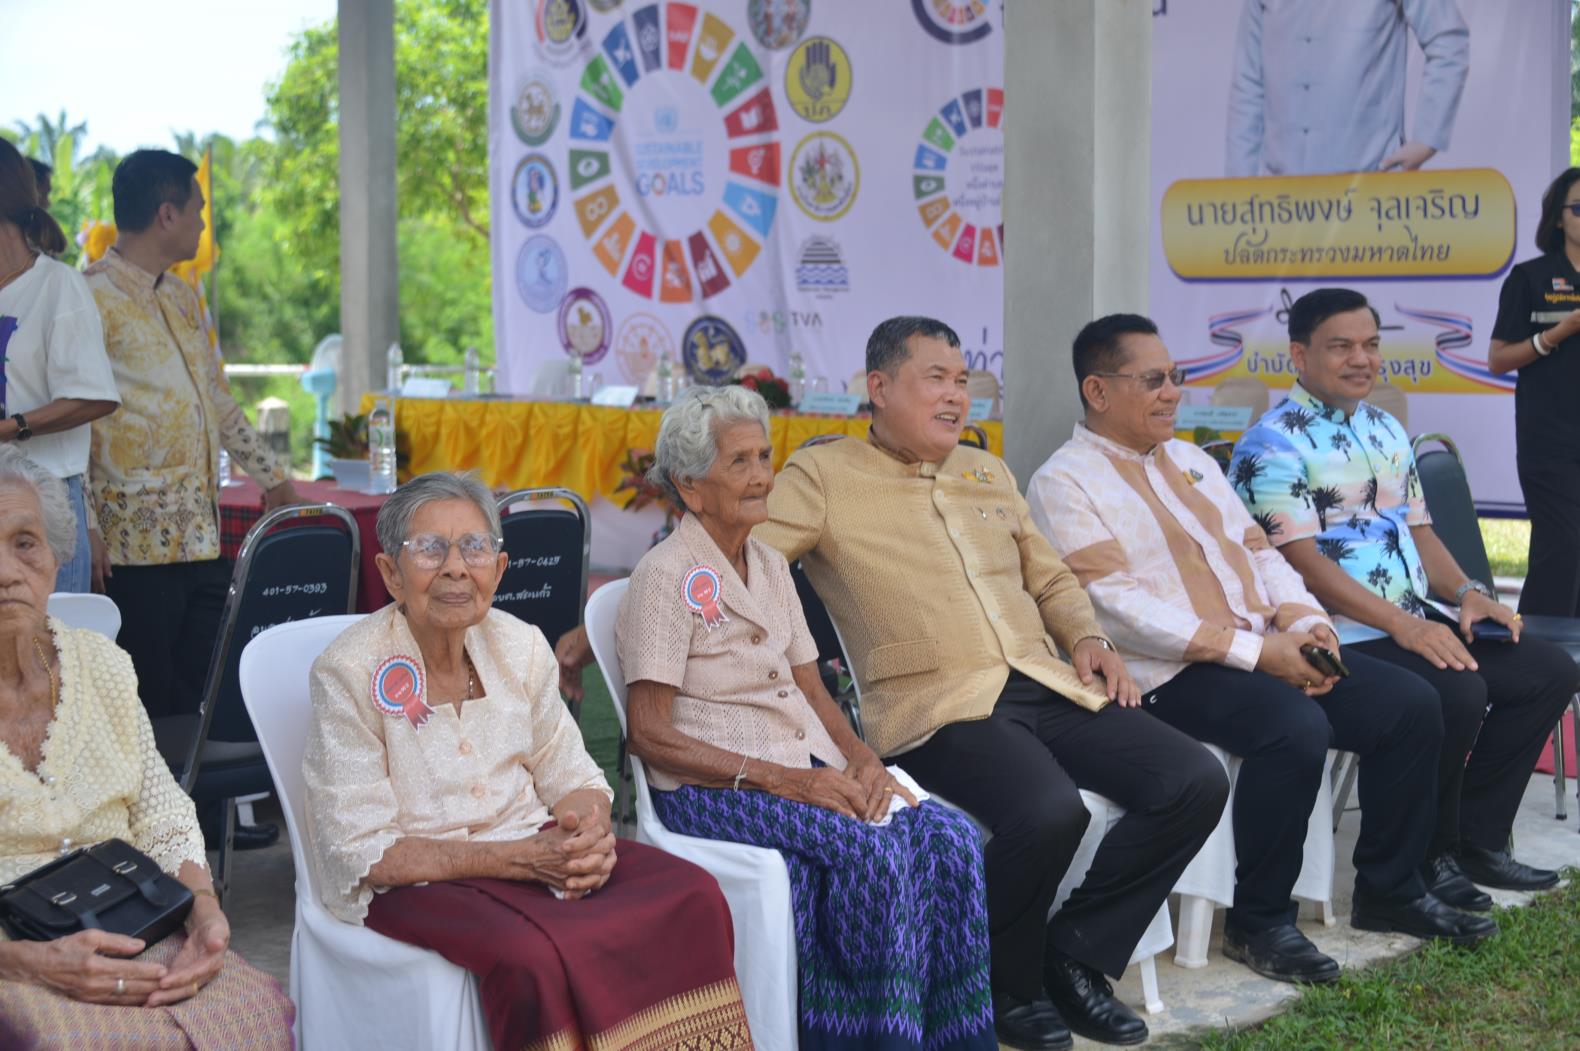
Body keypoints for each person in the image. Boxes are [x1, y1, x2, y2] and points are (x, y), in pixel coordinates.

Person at [756, 316, 1228, 1051]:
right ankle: (1007, 986)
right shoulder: (822, 476)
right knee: (1050, 811)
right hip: (935, 704)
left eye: (962, 382)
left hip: (1044, 680)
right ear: (879, 387)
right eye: (935, 380)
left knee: (1192, 779)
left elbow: (1052, 578)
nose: (956, 396)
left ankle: (1073, 955)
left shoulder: (986, 471)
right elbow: (751, 563)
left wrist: (1089, 637)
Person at [1030, 314, 1494, 979]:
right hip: (1163, 673)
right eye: (1154, 381)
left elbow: (1263, 554)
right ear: (1097, 391)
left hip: (1263, 647)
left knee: (1411, 703)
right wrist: (1257, 655)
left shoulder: (1192, 461)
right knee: (1292, 726)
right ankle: (1260, 922)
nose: (1173, 393)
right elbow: (1115, 608)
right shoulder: (1064, 481)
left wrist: (1308, 624)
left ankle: (1390, 888)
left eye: (1176, 376)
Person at [303, 471, 750, 1051]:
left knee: (694, 895)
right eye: (431, 549)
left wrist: (586, 834)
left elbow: (573, 775)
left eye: (474, 548)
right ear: (391, 573)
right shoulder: (348, 670)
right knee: (531, 957)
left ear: (498, 568)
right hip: (419, 881)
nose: (456, 568)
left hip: (536, 849)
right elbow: (363, 849)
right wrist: (521, 860)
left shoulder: (520, 644)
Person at [618, 385, 995, 1051]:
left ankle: (951, 1036)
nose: (762, 476)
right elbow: (648, 733)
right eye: (739, 462)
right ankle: (867, 1037)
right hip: (712, 788)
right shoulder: (664, 575)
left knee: (952, 839)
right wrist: (789, 781)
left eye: (764, 457)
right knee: (873, 855)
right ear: (690, 487)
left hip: (804, 763)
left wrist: (864, 761)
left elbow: (813, 690)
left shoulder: (768, 562)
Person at [1230, 288, 1576, 899]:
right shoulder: (1271, 443)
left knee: (1546, 672)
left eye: (1370, 345)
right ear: (1299, 356)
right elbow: (1302, 565)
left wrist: (1468, 592)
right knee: (1458, 689)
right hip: (1339, 632)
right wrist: (1404, 626)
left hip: (1413, 618)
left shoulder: (1384, 427)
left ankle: (1473, 841)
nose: (1361, 359)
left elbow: (1419, 533)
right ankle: (1418, 864)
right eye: (1341, 347)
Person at [0, 446, 293, 1049]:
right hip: (14, 952)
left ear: (56, 557)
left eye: (24, 543)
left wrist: (202, 907)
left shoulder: (101, 664)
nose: (6, 571)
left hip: (134, 910)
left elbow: (161, 811)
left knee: (255, 1014)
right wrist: (27, 961)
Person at [84, 150, 300, 848]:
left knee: (204, 692)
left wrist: (273, 475)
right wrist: (87, 524)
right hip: (132, 543)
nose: (204, 223)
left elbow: (217, 401)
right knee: (149, 700)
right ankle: (158, 849)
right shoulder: (89, 298)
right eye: (198, 210)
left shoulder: (183, 296)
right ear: (166, 213)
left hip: (201, 534)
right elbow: (74, 423)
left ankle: (207, 835)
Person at [0, 139, 120, 593]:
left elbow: (94, 397)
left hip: (42, 502)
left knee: (47, 637)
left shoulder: (57, 286)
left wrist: (11, 428)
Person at [1225, 0, 1469, 177]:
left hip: (1369, 189)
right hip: (1281, 196)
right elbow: (1249, 82)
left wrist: (1427, 139)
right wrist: (1239, 187)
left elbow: (1447, 38)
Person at [1489, 168, 1580, 618]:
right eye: (1579, 208)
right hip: (1551, 440)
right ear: (1559, 218)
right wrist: (1556, 334)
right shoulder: (1531, 278)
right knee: (1563, 545)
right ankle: (1540, 646)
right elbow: (1498, 359)